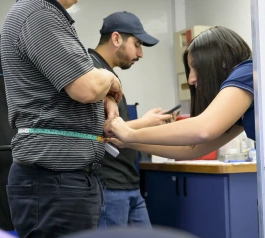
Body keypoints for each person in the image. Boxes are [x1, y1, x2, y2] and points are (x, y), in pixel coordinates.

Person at [0, 0, 123, 238]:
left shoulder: (42, 14)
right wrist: (109, 77)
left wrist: (103, 90)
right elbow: (87, 88)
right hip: (55, 181)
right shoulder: (38, 13)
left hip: (61, 180)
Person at [104, 26, 255, 159]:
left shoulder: (247, 72)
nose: (191, 79)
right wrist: (130, 142)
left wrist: (131, 134)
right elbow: (190, 149)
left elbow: (203, 129)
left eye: (195, 67)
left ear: (222, 62)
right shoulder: (241, 108)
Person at [88, 11, 173, 228]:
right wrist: (145, 122)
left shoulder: (108, 74)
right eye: (137, 44)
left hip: (128, 184)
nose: (141, 53)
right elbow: (99, 131)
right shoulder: (91, 73)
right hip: (109, 186)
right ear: (116, 39)